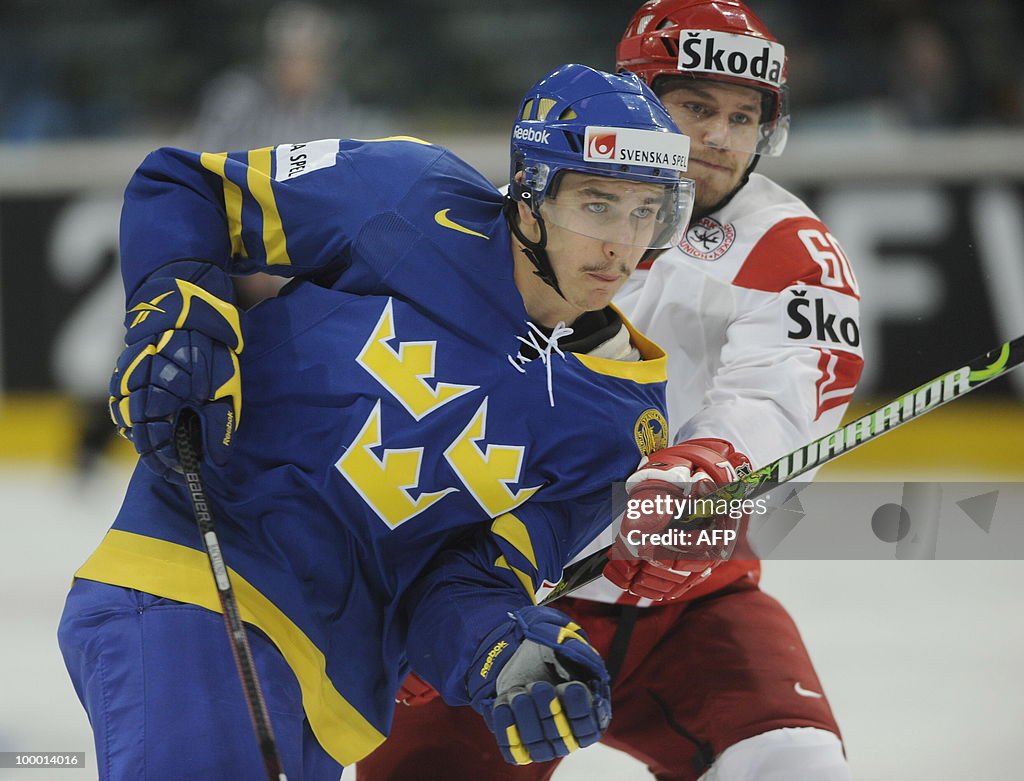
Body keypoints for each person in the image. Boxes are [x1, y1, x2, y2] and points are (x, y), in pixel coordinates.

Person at [56, 64, 698, 779]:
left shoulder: (624, 420)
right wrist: (179, 307)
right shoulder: (405, 193)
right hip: (192, 584)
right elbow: (188, 185)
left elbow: (471, 582)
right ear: (530, 193)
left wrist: (507, 646)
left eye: (649, 211)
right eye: (598, 204)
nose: (623, 244)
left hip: (332, 702)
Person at [356, 2, 864, 779]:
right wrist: (419, 607)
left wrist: (707, 469)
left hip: (685, 601)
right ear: (637, 101)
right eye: (695, 108)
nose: (721, 138)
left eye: (742, 115)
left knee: (799, 764)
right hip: (499, 598)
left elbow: (782, 396)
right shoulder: (530, 215)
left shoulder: (790, 252)